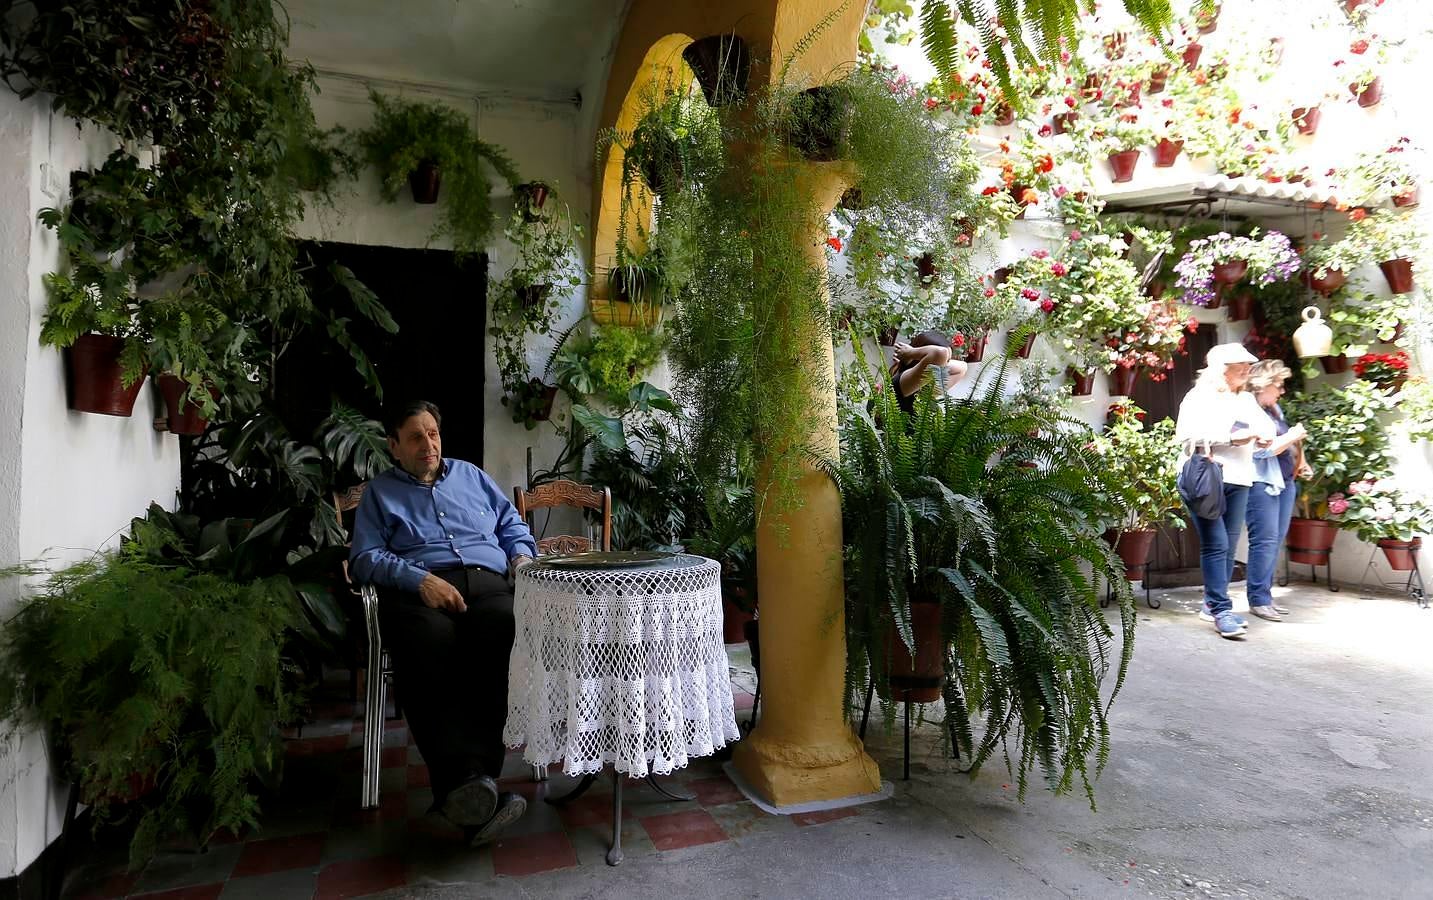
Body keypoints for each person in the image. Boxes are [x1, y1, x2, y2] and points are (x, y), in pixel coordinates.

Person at [350, 400, 535, 846]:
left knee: (502, 634)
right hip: (420, 593)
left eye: (432, 433)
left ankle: (472, 786)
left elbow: (511, 522)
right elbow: (365, 557)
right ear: (394, 446)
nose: (427, 444)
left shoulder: (472, 476)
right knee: (426, 643)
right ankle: (466, 781)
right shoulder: (380, 493)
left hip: (488, 585)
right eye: (415, 436)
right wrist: (419, 580)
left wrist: (522, 555)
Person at [1174, 344, 1273, 639]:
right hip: (1205, 479)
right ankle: (1221, 610)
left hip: (1239, 479)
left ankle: (1211, 603)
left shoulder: (1245, 399)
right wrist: (1230, 438)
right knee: (1216, 544)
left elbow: (1265, 427)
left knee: (1228, 547)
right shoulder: (1199, 397)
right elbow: (1186, 435)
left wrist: (1265, 437)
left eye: (1248, 365)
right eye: (1239, 364)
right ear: (1220, 368)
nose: (1246, 369)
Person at [1244, 360, 1311, 620]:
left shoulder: (1274, 409)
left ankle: (1265, 597)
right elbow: (1259, 452)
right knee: (1264, 541)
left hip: (1285, 482)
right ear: (1262, 385)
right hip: (1262, 484)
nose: (1281, 392)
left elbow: (1285, 443)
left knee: (1274, 541)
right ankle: (1258, 599)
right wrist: (1292, 437)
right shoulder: (1249, 411)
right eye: (1278, 386)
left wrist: (1301, 461)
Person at [890, 329, 969, 414]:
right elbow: (940, 354)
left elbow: (962, 367)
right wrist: (910, 352)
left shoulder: (923, 388)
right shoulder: (904, 382)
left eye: (947, 361)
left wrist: (911, 354)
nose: (943, 366)